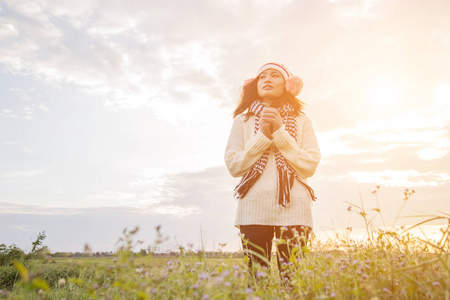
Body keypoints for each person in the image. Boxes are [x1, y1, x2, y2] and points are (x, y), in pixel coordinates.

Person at [224, 62, 321, 279]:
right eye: (262, 76)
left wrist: (279, 132)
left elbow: (310, 165)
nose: (267, 79)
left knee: (294, 281)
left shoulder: (302, 120)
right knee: (257, 280)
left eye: (275, 75)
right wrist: (263, 137)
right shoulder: (243, 120)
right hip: (254, 207)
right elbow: (233, 165)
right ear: (255, 84)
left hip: (295, 207)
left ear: (288, 84)